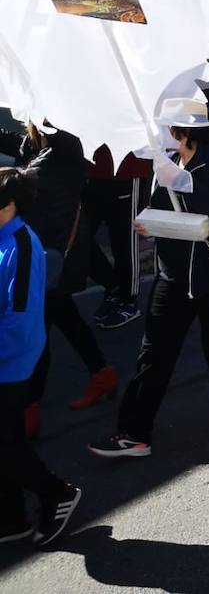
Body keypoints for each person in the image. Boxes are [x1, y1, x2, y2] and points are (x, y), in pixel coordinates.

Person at [88, 99, 209, 459]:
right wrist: (147, 222)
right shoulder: (165, 164)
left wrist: (182, 181)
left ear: (179, 131)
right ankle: (134, 434)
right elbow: (162, 212)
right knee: (154, 352)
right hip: (173, 272)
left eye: (163, 128)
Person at [0, 125, 111, 433]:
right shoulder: (40, 146)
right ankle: (102, 374)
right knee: (64, 317)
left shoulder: (67, 149)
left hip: (56, 250)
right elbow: (12, 140)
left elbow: (26, 173)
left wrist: (43, 102)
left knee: (40, 326)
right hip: (45, 248)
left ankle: (28, 408)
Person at [0, 168, 83, 547]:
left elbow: (18, 318)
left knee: (6, 441)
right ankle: (11, 517)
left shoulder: (22, 243)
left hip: (12, 359)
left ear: (10, 203)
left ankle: (56, 493)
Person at [84, 148, 150, 332]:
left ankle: (128, 299)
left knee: (124, 241)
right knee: (78, 238)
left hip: (127, 173)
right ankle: (113, 286)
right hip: (93, 171)